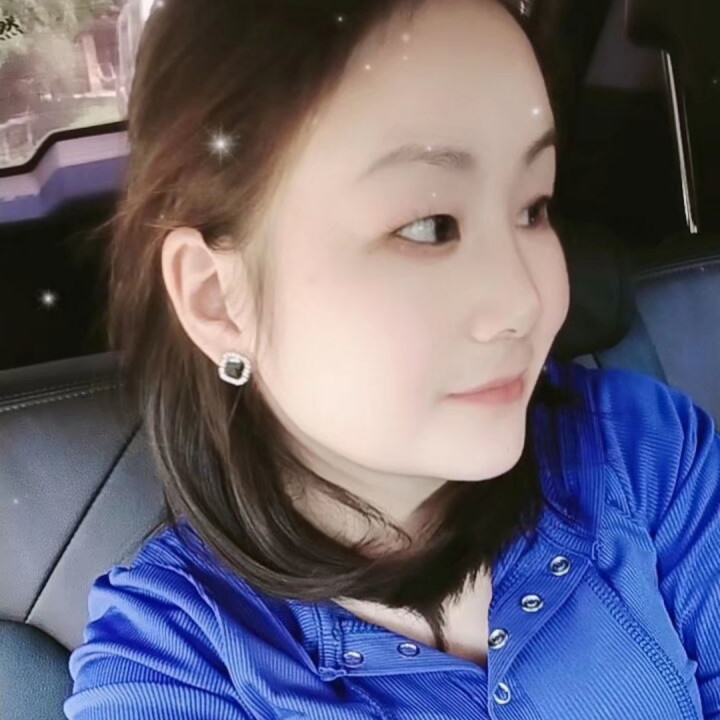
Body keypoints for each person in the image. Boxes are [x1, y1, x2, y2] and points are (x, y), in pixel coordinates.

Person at [63, 0, 720, 717]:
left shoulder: (644, 450)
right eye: (431, 225)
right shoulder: (174, 660)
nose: (524, 302)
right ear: (220, 299)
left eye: (533, 207)